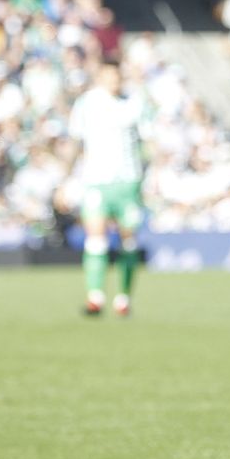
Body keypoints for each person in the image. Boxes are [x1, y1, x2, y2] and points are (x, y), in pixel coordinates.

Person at [67, 61, 145, 317]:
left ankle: (123, 299)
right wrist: (66, 179)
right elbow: (76, 142)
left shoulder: (133, 102)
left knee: (128, 241)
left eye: (117, 76)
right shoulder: (87, 104)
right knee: (96, 239)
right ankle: (95, 297)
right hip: (96, 180)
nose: (114, 80)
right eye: (109, 76)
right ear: (100, 77)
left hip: (127, 181)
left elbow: (146, 140)